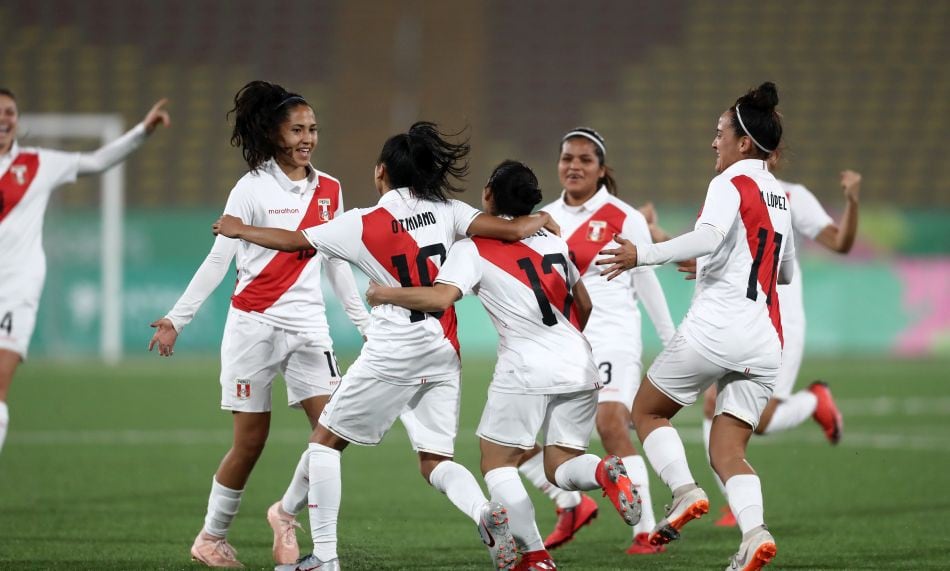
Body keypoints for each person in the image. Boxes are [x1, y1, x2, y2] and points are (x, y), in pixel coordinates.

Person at [212, 122, 562, 571]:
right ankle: (481, 511)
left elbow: (293, 242)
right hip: (442, 352)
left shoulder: (360, 223)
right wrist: (542, 219)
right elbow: (509, 232)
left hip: (392, 352)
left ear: (382, 172)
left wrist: (241, 228)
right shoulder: (450, 211)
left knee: (322, 444)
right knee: (435, 460)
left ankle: (324, 557)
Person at [365, 160, 642, 570]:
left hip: (526, 366)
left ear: (491, 195)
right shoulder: (554, 242)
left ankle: (534, 556)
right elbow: (585, 304)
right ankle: (604, 472)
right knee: (561, 464)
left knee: (496, 462)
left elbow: (442, 298)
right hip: (580, 362)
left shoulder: (472, 248)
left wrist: (385, 294)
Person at [147, 80, 371, 568]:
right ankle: (211, 537)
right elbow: (217, 260)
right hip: (253, 327)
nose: (307, 137)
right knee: (250, 442)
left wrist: (365, 323)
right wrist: (175, 320)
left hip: (310, 328)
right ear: (274, 134)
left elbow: (336, 262)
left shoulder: (329, 188)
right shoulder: (250, 189)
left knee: (336, 428)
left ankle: (285, 513)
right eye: (297, 129)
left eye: (313, 128)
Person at [597, 81, 793, 570]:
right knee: (727, 448)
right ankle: (754, 534)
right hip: (766, 340)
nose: (714, 142)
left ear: (743, 142)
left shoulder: (730, 182)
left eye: (719, 133)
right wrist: (712, 267)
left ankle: (684, 492)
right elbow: (782, 271)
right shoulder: (779, 196)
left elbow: (707, 237)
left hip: (718, 329)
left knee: (646, 412)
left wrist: (642, 254)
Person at [648, 167, 860, 528]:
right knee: (715, 405)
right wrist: (658, 236)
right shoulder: (734, 191)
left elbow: (839, 243)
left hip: (778, 321)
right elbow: (710, 254)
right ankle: (736, 504)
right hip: (741, 321)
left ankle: (813, 401)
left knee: (754, 421)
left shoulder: (790, 196)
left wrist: (852, 201)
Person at [519, 127, 675, 555]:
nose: (574, 166)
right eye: (567, 158)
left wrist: (672, 342)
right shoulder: (544, 219)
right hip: (563, 343)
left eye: (585, 159)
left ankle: (645, 530)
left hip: (612, 336)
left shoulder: (624, 216)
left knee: (610, 423)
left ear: (602, 170)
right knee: (516, 434)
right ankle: (570, 504)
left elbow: (647, 282)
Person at [0, 88, 169, 456]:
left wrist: (141, 131)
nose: (4, 118)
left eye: (10, 111)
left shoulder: (36, 163)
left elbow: (96, 161)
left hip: (16, 288)